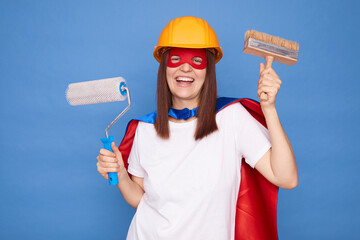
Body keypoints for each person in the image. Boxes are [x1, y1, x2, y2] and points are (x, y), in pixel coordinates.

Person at [96, 16, 298, 240]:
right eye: (175, 59)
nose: (185, 68)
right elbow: (142, 200)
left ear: (208, 70)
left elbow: (286, 178)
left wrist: (269, 109)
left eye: (196, 60)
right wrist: (121, 175)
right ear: (164, 68)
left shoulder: (231, 118)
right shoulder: (145, 129)